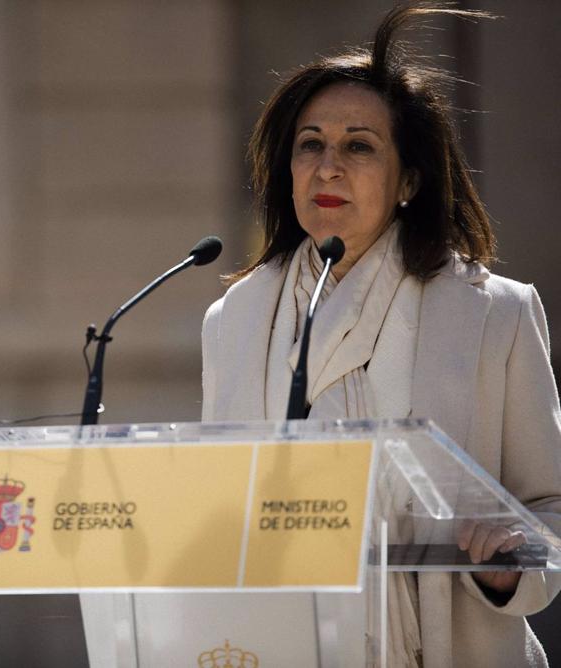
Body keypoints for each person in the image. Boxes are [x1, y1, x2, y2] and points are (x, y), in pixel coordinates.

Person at [201, 4, 561, 667]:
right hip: (287, 645)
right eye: (310, 144)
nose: (327, 167)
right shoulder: (234, 321)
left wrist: (511, 564)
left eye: (359, 146)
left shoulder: (496, 315)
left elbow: (550, 504)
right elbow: (221, 509)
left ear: (410, 180)